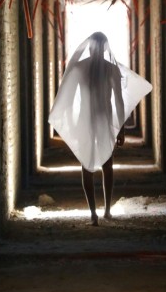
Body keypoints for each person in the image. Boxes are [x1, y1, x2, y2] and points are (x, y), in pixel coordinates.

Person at [49, 31, 152, 225]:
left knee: (86, 166)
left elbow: (69, 101)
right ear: (105, 47)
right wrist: (121, 128)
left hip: (85, 121)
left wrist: (71, 125)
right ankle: (106, 210)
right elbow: (119, 102)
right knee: (108, 165)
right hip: (104, 119)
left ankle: (93, 214)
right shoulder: (110, 69)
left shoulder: (80, 68)